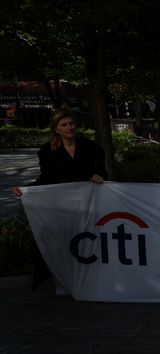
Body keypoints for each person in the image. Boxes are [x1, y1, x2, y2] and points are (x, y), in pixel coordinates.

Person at [11, 106, 108, 288]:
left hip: (88, 205)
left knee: (89, 240)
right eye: (64, 125)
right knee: (55, 239)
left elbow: (102, 170)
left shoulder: (90, 147)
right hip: (62, 206)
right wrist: (26, 190)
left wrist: (99, 175)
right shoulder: (47, 152)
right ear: (56, 129)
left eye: (71, 123)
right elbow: (46, 179)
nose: (70, 127)